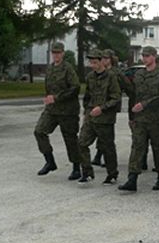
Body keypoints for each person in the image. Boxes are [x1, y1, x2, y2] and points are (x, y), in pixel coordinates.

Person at [119, 46, 159, 192]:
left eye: (148, 56)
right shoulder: (139, 74)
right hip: (141, 119)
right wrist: (132, 115)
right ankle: (132, 179)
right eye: (143, 56)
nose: (145, 58)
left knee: (158, 149)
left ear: (154, 57)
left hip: (158, 119)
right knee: (137, 147)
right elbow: (134, 96)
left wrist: (144, 105)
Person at [33, 41, 82, 181]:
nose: (56, 55)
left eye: (58, 52)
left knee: (70, 139)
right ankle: (50, 161)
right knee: (39, 131)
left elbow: (75, 88)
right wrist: (49, 99)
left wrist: (57, 97)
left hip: (68, 111)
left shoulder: (68, 69)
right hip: (52, 110)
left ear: (63, 53)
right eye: (54, 53)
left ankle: (76, 168)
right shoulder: (50, 69)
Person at [77, 50, 122, 184]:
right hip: (91, 116)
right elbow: (87, 96)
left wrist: (102, 108)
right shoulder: (90, 76)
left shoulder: (111, 76)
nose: (93, 65)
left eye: (95, 62)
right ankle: (86, 171)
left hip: (105, 119)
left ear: (102, 61)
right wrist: (86, 111)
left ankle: (112, 173)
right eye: (91, 62)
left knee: (107, 147)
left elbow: (116, 97)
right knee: (81, 143)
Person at [93, 49, 133, 167]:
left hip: (111, 105)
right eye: (102, 58)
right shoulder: (100, 72)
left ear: (111, 59)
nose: (104, 60)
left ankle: (105, 157)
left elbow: (128, 86)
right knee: (100, 130)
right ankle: (99, 155)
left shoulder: (117, 73)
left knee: (107, 132)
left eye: (106, 58)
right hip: (100, 105)